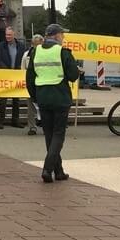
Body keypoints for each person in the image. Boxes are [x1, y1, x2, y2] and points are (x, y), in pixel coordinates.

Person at [26, 24, 81, 182]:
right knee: (58, 134)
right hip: (60, 97)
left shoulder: (36, 51)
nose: (63, 37)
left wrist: (35, 97)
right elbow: (72, 76)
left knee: (49, 135)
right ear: (56, 36)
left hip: (43, 97)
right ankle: (47, 169)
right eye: (62, 34)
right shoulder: (63, 52)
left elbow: (29, 77)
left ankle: (59, 171)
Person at [0, 27, 26, 129]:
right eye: (6, 35)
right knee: (3, 100)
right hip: (5, 75)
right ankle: (0, 121)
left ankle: (15, 120)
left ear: (14, 35)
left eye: (9, 35)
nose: (7, 37)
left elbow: (23, 58)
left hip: (17, 75)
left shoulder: (21, 46)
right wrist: (7, 70)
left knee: (16, 100)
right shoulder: (1, 45)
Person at [20, 34, 45, 135]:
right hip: (31, 84)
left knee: (45, 107)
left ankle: (46, 127)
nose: (38, 46)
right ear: (32, 44)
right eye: (36, 44)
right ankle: (32, 127)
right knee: (31, 108)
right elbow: (22, 69)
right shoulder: (27, 54)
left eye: (40, 44)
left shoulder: (46, 54)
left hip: (43, 84)